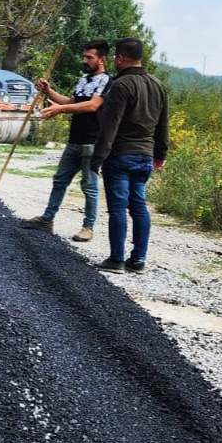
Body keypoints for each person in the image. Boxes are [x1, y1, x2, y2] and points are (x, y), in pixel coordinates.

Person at [90, 37, 168, 273]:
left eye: (116, 57)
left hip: (121, 155)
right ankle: (138, 260)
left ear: (121, 58)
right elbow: (163, 125)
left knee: (118, 208)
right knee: (139, 207)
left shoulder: (121, 85)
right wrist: (160, 154)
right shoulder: (158, 85)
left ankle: (116, 260)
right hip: (145, 156)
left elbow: (109, 126)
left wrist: (98, 158)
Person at [19, 40, 110, 242]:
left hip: (92, 142)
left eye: (89, 57)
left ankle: (88, 227)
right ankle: (47, 219)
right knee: (60, 180)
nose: (84, 60)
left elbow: (92, 106)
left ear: (102, 59)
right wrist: (48, 91)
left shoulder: (106, 81)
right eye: (84, 56)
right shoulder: (83, 79)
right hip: (74, 140)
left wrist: (60, 110)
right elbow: (71, 103)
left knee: (89, 185)